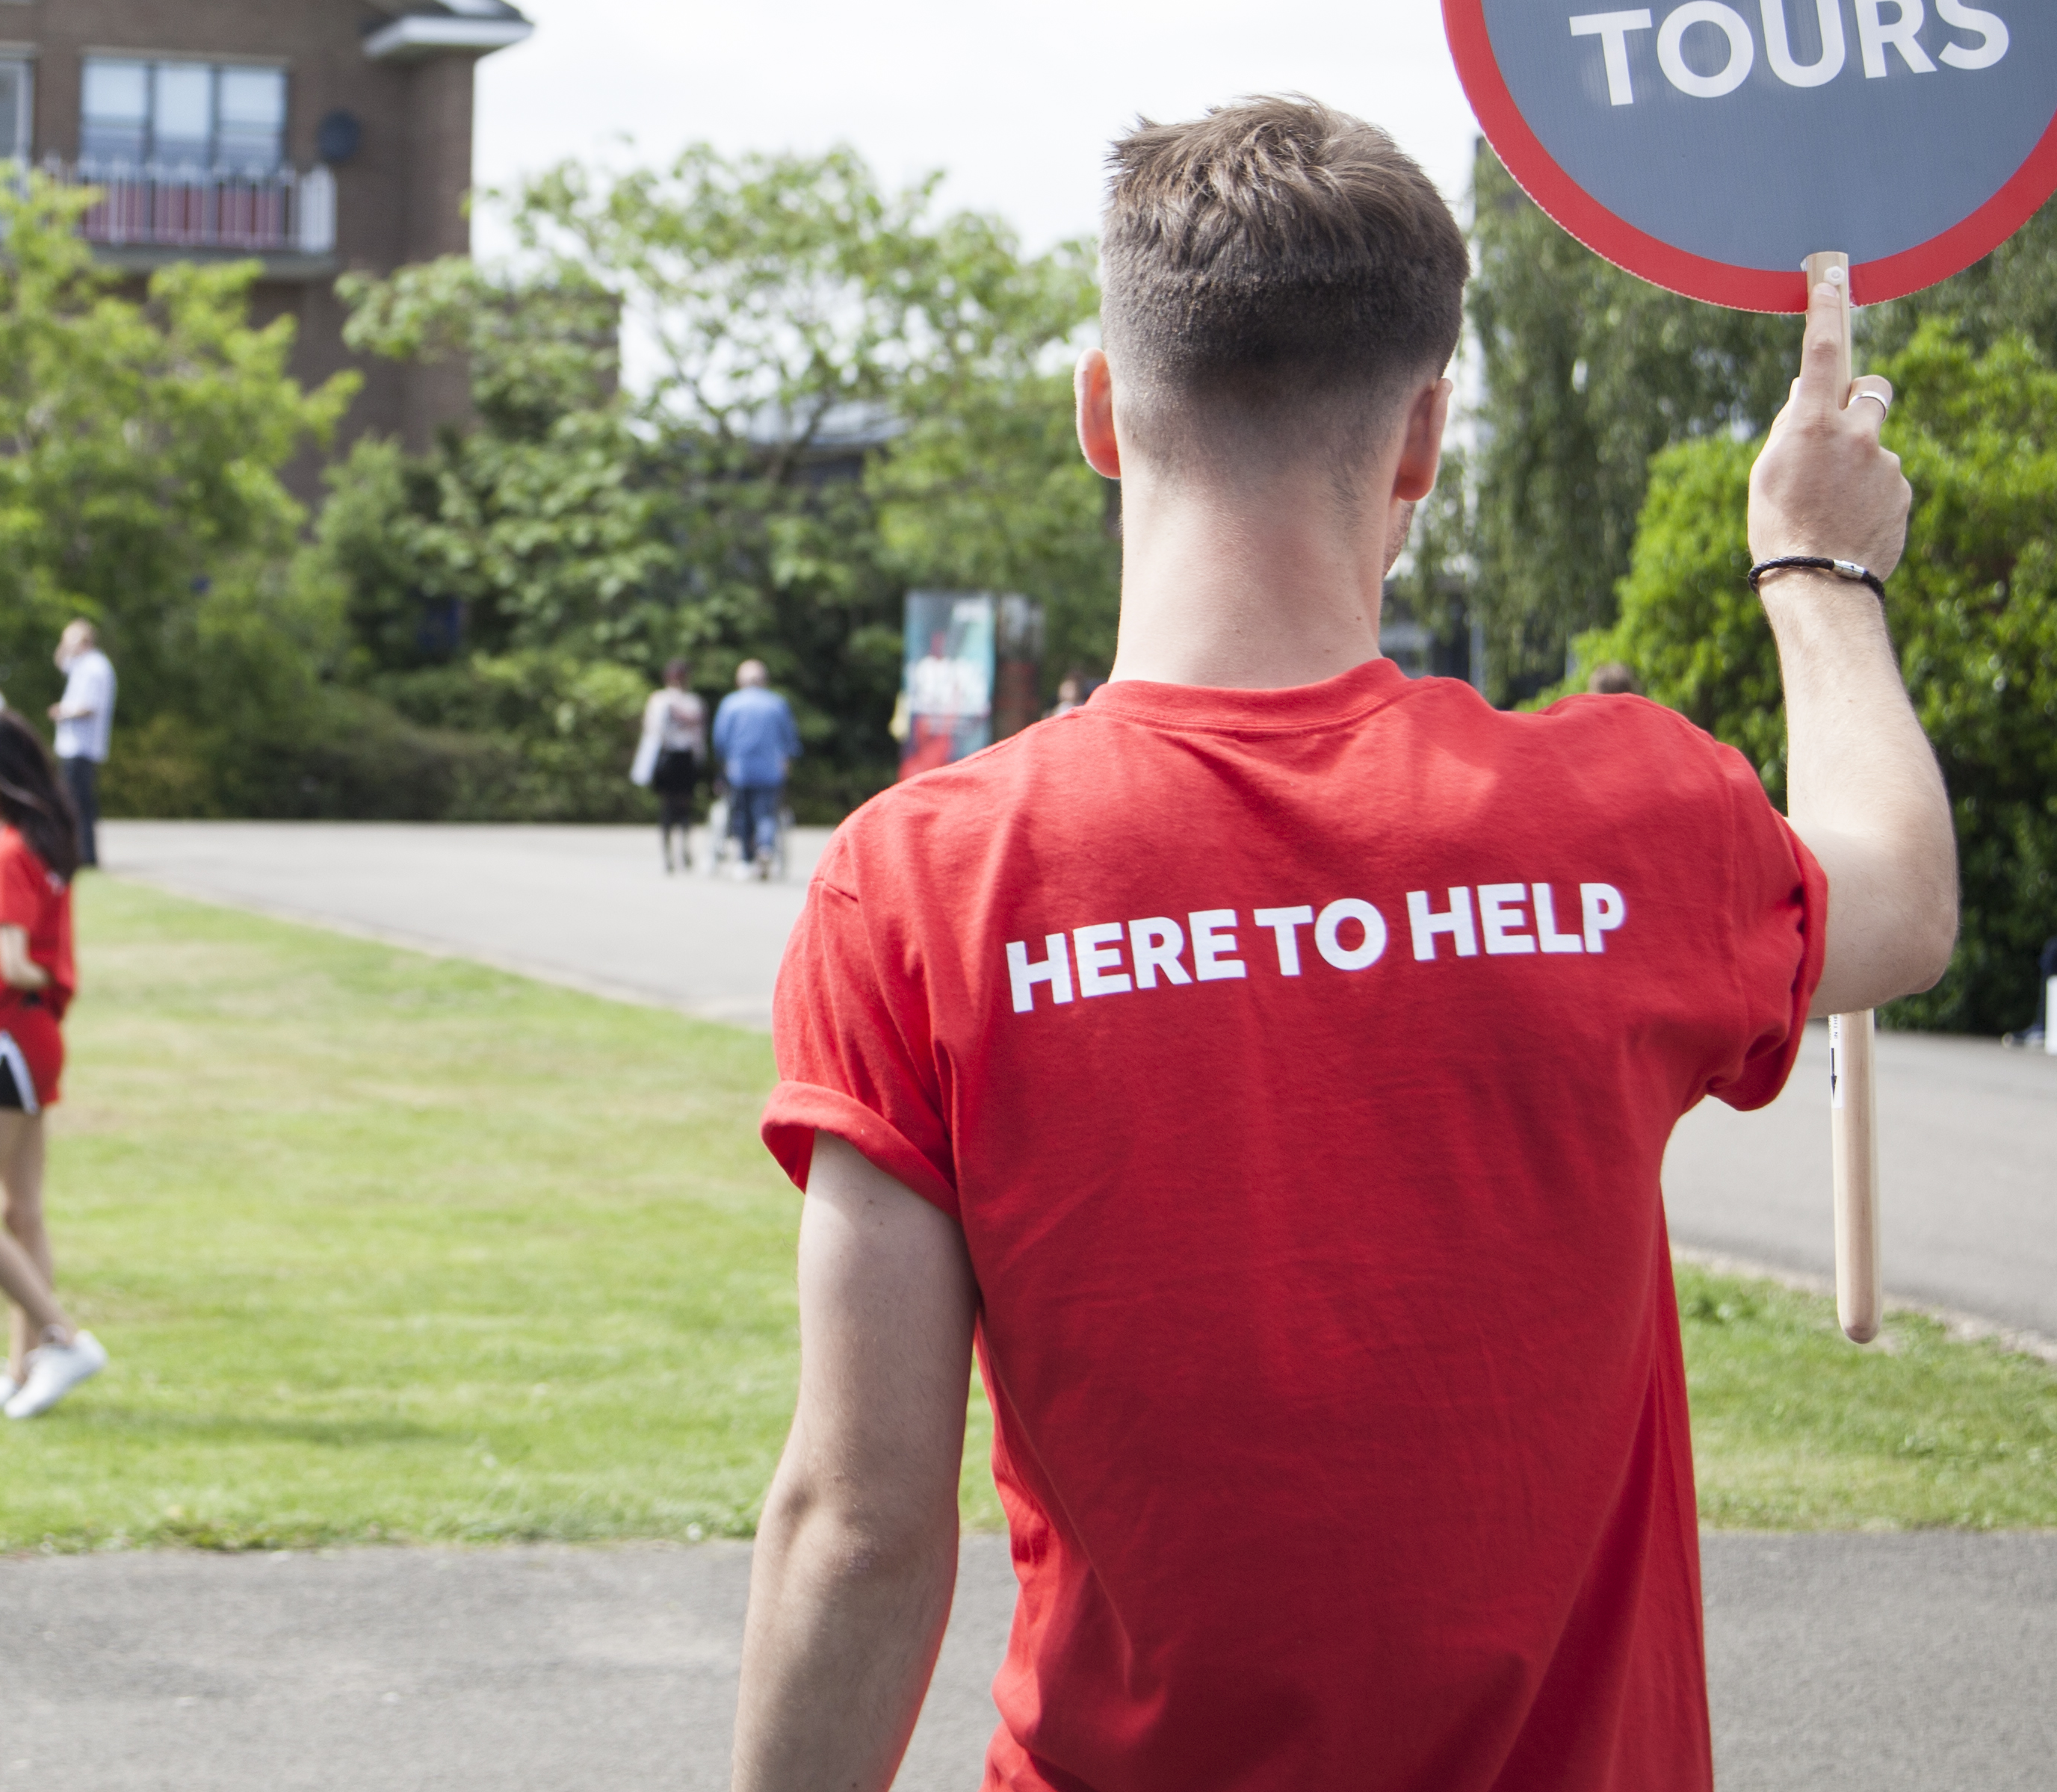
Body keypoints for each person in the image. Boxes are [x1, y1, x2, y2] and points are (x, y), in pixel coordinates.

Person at [731, 98, 1955, 1792]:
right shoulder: (1622, 813)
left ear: (1101, 406)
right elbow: (1900, 887)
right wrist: (1815, 566)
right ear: (1423, 438)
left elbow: (859, 1527)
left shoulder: (920, 879)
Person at [0, 710, 108, 1421]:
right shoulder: (17, 843)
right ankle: (21, 1368)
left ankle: (62, 1340)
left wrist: (32, 971)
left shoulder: (8, 852)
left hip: (12, 1042)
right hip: (18, 1041)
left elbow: (14, 961)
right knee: (19, 1211)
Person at [711, 658, 799, 881]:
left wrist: (722, 763)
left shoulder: (731, 704)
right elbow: (790, 740)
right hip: (771, 769)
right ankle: (766, 847)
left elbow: (720, 740)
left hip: (739, 770)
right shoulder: (777, 704)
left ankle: (746, 859)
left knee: (741, 814)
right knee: (767, 813)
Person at [51, 619, 116, 871]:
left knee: (78, 802)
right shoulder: (82, 664)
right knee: (75, 801)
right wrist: (65, 643)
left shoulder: (95, 667)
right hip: (73, 745)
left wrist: (62, 712)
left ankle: (85, 854)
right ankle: (80, 851)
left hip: (82, 746)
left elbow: (89, 706)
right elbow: (60, 662)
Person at [635, 661, 709, 874]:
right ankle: (668, 854)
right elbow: (653, 730)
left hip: (684, 757)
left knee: (683, 807)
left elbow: (698, 735)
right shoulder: (661, 700)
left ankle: (683, 849)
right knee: (669, 807)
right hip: (668, 756)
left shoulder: (693, 702)